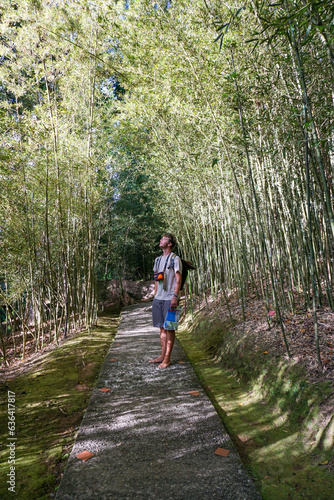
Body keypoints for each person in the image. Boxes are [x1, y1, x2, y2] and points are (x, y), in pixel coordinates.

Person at [150, 233, 182, 369]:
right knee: (161, 328)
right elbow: (157, 278)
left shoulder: (175, 259)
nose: (160, 240)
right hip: (159, 299)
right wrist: (155, 295)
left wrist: (175, 296)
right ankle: (162, 355)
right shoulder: (157, 260)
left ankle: (167, 359)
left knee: (170, 328)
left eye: (163, 239)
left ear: (169, 243)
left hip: (170, 298)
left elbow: (178, 279)